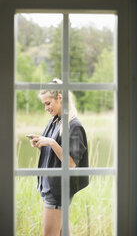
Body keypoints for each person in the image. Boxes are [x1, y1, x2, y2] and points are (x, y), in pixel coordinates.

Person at [28, 78, 89, 236]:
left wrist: (51, 142)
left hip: (58, 192)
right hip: (50, 188)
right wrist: (41, 143)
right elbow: (52, 155)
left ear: (60, 98)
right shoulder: (55, 121)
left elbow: (70, 163)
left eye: (48, 103)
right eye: (44, 104)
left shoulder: (74, 126)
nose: (46, 108)